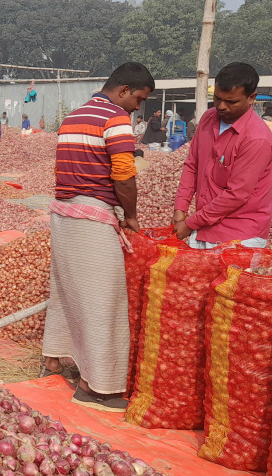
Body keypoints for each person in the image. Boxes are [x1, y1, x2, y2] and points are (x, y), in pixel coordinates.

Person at [41, 62, 154, 413]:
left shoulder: (74, 116)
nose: (138, 107)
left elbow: (83, 161)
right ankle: (95, 387)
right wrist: (131, 215)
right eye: (138, 98)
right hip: (92, 217)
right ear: (123, 91)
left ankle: (54, 360)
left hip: (64, 214)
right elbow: (123, 175)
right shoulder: (116, 118)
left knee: (66, 290)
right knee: (104, 301)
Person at [172, 62, 272, 250]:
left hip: (240, 235)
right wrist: (180, 209)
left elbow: (236, 194)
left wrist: (191, 223)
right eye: (217, 98)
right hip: (204, 228)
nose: (222, 106)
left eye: (231, 101)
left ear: (252, 98)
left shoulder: (257, 138)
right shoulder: (208, 118)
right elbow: (192, 165)